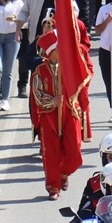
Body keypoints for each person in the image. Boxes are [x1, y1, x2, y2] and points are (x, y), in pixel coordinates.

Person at [29, 29, 85, 200]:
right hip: (49, 115)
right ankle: (53, 187)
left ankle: (63, 173)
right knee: (51, 153)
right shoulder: (39, 70)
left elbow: (82, 80)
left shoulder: (70, 67)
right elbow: (37, 94)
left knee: (74, 152)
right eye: (59, 48)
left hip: (70, 111)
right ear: (51, 52)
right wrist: (53, 101)